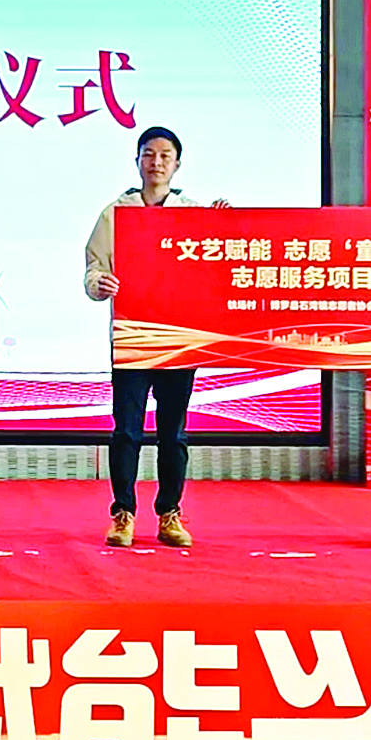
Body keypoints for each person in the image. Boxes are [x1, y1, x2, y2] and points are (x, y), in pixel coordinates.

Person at [83, 126, 231, 549]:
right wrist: (98, 284)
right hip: (132, 336)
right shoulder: (115, 213)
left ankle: (170, 513)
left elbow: (219, 267)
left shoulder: (194, 213)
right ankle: (123, 514)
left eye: (165, 155)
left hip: (178, 337)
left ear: (178, 164)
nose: (156, 162)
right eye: (148, 154)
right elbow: (94, 268)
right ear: (137, 161)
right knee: (126, 431)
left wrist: (225, 224)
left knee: (173, 433)